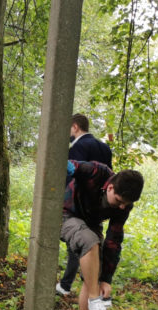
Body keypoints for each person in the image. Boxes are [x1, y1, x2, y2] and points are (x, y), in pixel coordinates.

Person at [62, 160, 144, 310]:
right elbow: (72, 164)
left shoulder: (124, 204)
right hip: (66, 215)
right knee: (90, 241)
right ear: (110, 188)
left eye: (127, 204)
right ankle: (94, 300)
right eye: (119, 201)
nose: (122, 207)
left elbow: (114, 239)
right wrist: (68, 166)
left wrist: (106, 279)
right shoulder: (96, 172)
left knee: (94, 273)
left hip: (90, 224)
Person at [57, 114, 113, 297]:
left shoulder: (78, 146)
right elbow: (109, 175)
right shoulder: (105, 148)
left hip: (77, 204)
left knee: (78, 243)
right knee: (93, 242)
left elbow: (70, 175)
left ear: (74, 127)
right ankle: (86, 285)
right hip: (100, 205)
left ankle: (67, 285)